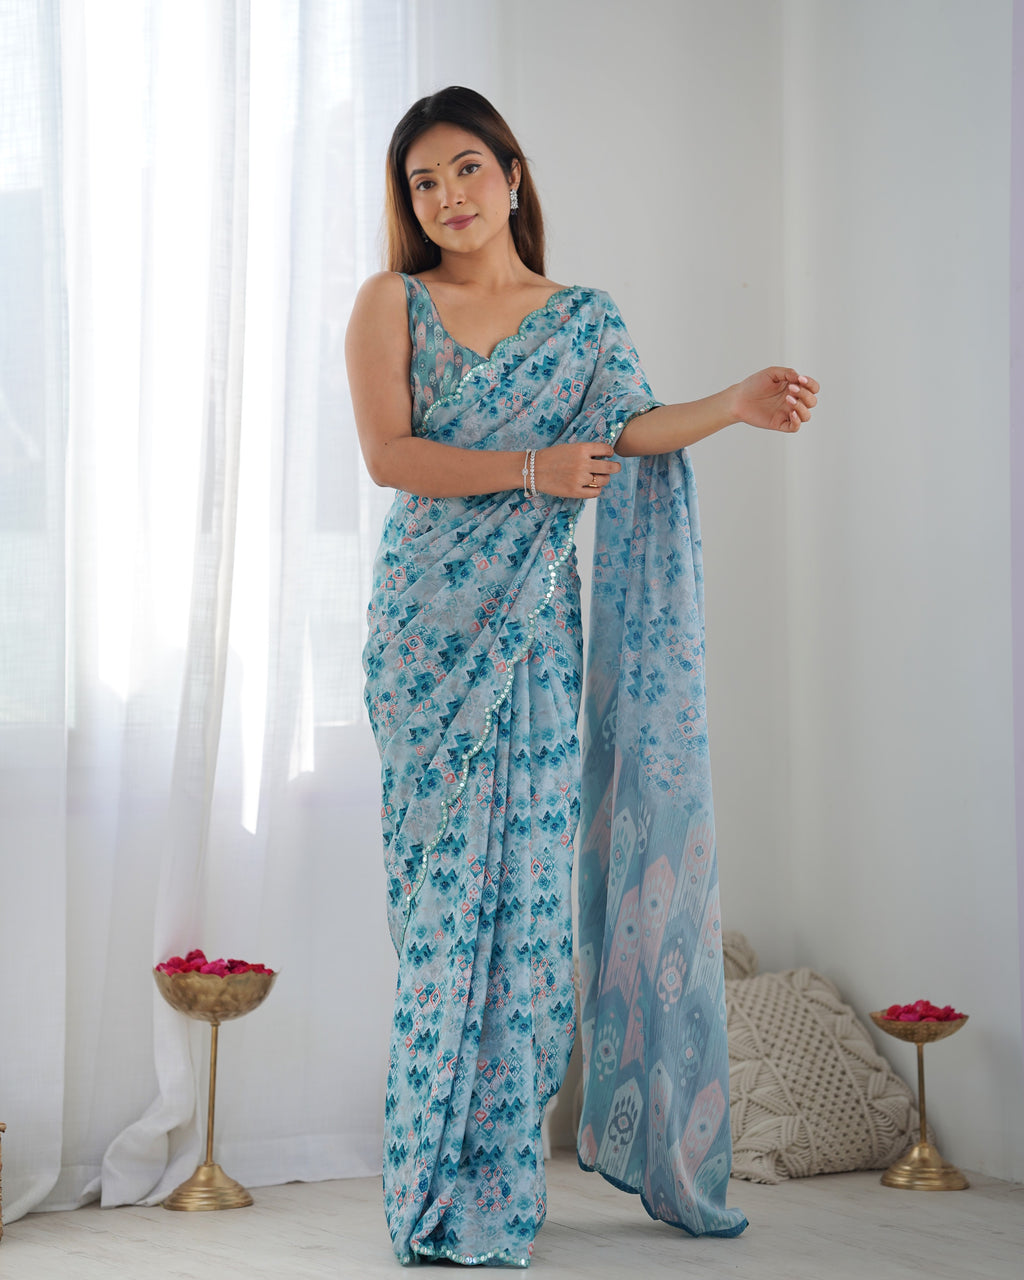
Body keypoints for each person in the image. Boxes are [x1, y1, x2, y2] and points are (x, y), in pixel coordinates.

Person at [345, 86, 818, 1268]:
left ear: (511, 172)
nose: (446, 197)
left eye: (464, 170)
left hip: (538, 651)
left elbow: (633, 430)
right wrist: (529, 468)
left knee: (530, 924)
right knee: (441, 922)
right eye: (422, 183)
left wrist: (735, 406)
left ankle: (500, 1195)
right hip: (427, 645)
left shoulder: (585, 320)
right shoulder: (390, 303)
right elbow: (388, 454)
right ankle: (427, 1187)